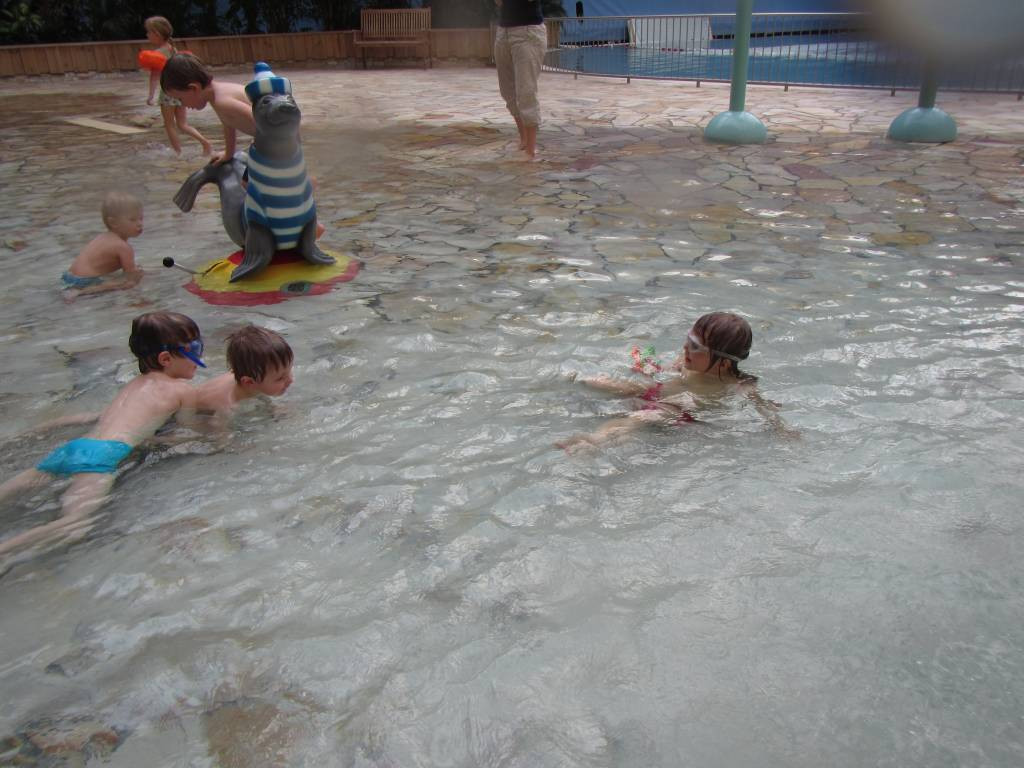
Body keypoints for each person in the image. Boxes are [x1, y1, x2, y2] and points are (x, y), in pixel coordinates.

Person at [0, 312, 206, 556]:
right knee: (75, 525)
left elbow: (96, 417)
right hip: (102, 458)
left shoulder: (134, 384)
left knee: (12, 491)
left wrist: (42, 428)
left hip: (75, 447)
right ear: (165, 358)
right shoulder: (183, 390)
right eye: (195, 348)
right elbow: (186, 431)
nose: (200, 356)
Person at [558, 312, 796, 451]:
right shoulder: (688, 360)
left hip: (678, 410)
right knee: (605, 383)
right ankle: (569, 378)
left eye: (695, 346)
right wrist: (649, 369)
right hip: (658, 390)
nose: (685, 348)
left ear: (724, 364)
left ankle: (594, 441)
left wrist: (780, 428)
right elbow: (666, 372)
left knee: (640, 419)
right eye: (688, 339)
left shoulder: (742, 384)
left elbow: (761, 406)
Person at [161, 53, 257, 166]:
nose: (181, 104)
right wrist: (228, 154)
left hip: (273, 135)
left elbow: (263, 119)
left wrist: (264, 148)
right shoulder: (217, 97)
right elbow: (228, 124)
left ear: (194, 88)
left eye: (180, 99)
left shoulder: (223, 102)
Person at [141, 16, 212, 156]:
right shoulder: (174, 50)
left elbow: (154, 77)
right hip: (181, 90)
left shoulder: (156, 55)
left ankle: (178, 153)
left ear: (157, 34)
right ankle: (205, 142)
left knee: (169, 124)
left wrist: (150, 96)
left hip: (168, 92)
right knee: (182, 124)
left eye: (149, 32)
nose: (147, 35)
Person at [62, 191, 145, 300]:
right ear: (113, 223)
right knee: (126, 284)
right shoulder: (123, 247)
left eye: (141, 218)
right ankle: (81, 292)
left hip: (68, 277)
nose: (139, 224)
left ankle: (76, 290)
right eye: (132, 219)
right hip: (85, 282)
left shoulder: (103, 237)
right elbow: (130, 277)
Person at [196, 325, 294, 415]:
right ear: (249, 382)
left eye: (289, 371)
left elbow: (261, 390)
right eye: (280, 378)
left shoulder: (253, 376)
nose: (290, 380)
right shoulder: (225, 406)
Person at [494, 0, 547, 159]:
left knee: (526, 91)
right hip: (504, 31)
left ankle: (531, 149)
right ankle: (523, 138)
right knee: (507, 91)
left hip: (528, 32)